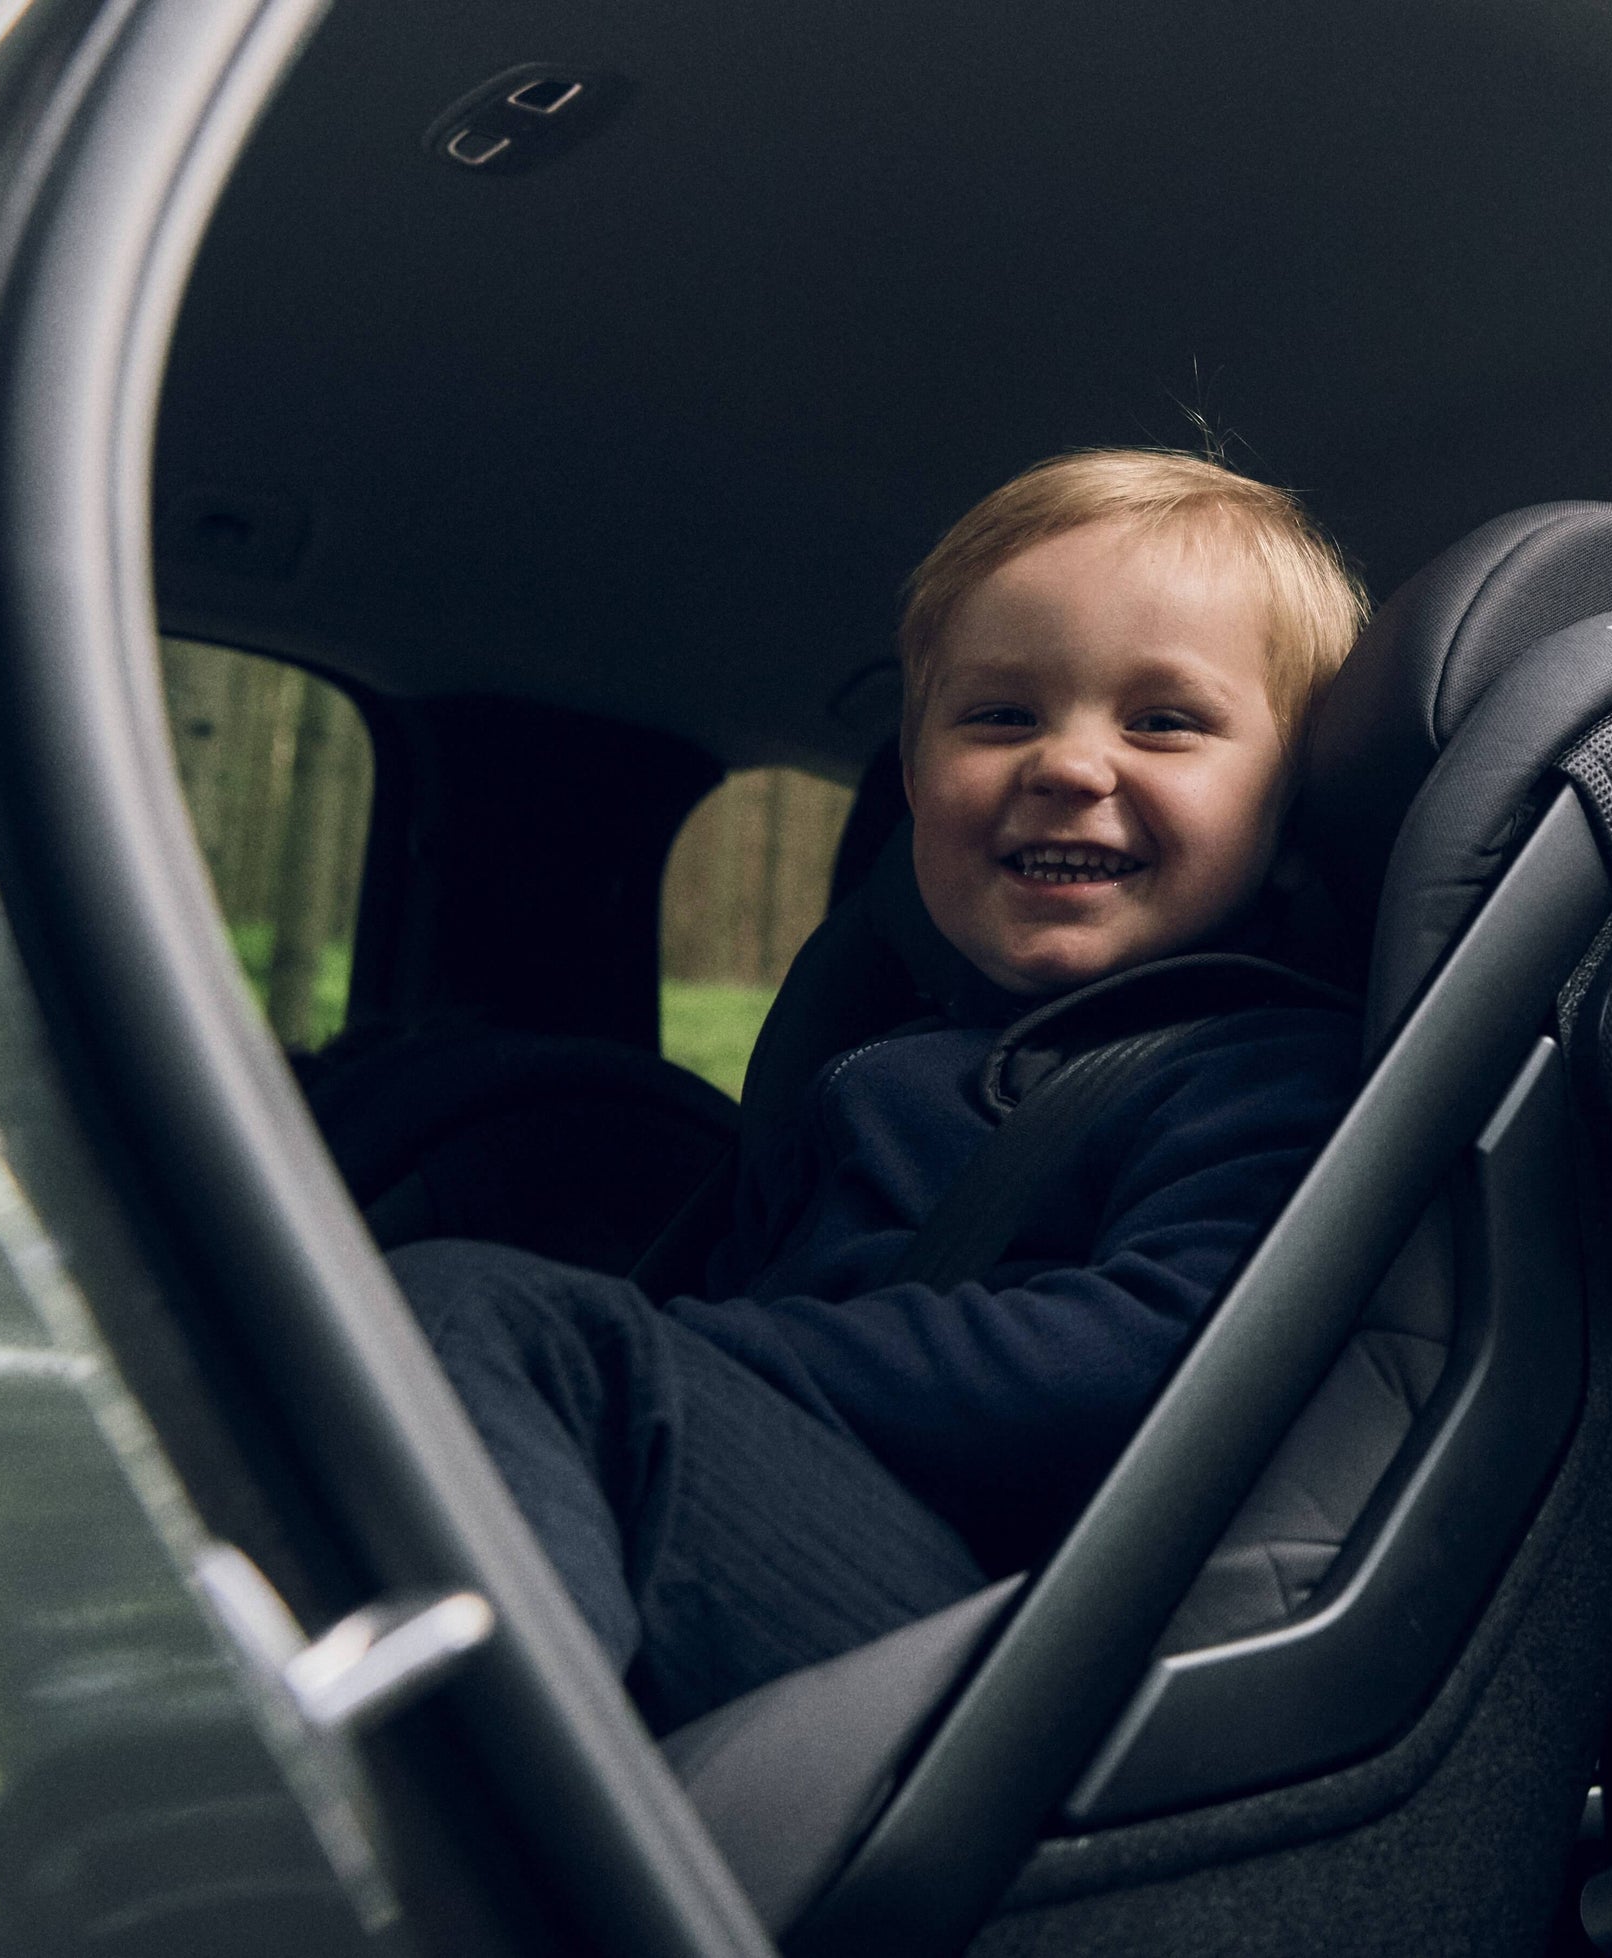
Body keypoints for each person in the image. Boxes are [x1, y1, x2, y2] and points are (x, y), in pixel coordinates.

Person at [389, 450, 1369, 1729]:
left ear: (1295, 814)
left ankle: (474, 1815)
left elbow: (1169, 1359)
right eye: (1001, 716)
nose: (1069, 763)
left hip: (998, 1635)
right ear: (913, 784)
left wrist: (697, 1361)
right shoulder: (885, 1069)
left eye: (1163, 721)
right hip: (817, 1540)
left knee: (492, 1319)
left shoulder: (1266, 1066)